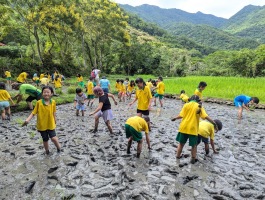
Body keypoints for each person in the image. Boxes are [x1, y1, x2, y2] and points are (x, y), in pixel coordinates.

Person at [171, 95, 216, 164]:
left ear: (190, 99)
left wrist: (175, 118)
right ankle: (193, 159)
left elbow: (181, 115)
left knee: (181, 144)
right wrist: (213, 122)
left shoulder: (186, 105)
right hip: (193, 129)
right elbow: (205, 117)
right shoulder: (199, 106)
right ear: (198, 101)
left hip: (184, 127)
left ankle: (177, 156)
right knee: (194, 145)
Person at [22, 86, 61, 155]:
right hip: (42, 125)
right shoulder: (39, 103)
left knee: (53, 138)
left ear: (51, 93)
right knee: (45, 139)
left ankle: (59, 148)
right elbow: (33, 113)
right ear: (42, 94)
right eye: (44, 92)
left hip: (50, 124)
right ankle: (47, 151)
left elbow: (53, 112)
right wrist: (27, 120)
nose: (46, 94)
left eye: (48, 92)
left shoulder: (53, 102)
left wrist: (55, 120)